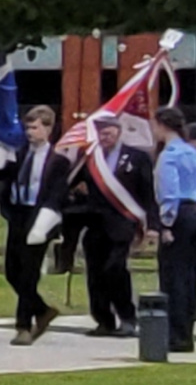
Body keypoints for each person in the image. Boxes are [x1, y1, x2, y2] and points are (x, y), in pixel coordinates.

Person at [66, 112, 157, 338]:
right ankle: (103, 320)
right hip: (95, 223)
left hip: (123, 223)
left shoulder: (136, 157)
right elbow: (70, 184)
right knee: (95, 274)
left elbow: (148, 194)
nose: (104, 137)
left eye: (108, 132)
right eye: (100, 133)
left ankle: (127, 317)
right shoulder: (89, 157)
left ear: (118, 130)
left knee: (115, 269)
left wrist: (153, 225)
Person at [0, 105, 67, 346]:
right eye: (27, 127)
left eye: (35, 127)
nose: (30, 132)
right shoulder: (21, 153)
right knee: (12, 272)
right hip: (18, 213)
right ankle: (42, 310)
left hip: (40, 216)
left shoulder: (58, 160)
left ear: (48, 129)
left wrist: (44, 224)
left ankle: (23, 325)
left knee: (28, 272)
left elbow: (57, 194)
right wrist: (3, 152)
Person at [152, 111, 196, 353]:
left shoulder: (169, 156)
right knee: (189, 275)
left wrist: (166, 224)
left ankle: (176, 335)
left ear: (162, 126)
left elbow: (169, 193)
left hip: (178, 214)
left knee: (172, 276)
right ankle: (186, 333)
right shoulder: (195, 155)